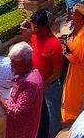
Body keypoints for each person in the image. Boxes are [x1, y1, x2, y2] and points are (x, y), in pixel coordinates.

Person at [0, 43, 41, 138]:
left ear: (24, 63)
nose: (10, 65)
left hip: (21, 131)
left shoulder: (29, 84)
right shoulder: (32, 73)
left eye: (14, 63)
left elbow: (17, 111)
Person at [24, 9, 63, 138]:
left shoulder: (54, 44)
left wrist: (44, 84)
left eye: (37, 26)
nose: (34, 28)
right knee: (39, 113)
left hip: (50, 86)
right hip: (37, 85)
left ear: (45, 26)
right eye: (33, 25)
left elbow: (57, 73)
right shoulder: (34, 37)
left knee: (53, 116)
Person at [60, 4, 84, 126]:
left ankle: (71, 118)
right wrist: (66, 42)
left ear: (79, 17)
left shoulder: (83, 34)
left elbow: (78, 58)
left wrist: (64, 52)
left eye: (73, 14)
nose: (71, 15)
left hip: (78, 69)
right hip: (75, 67)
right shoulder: (80, 28)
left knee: (72, 94)